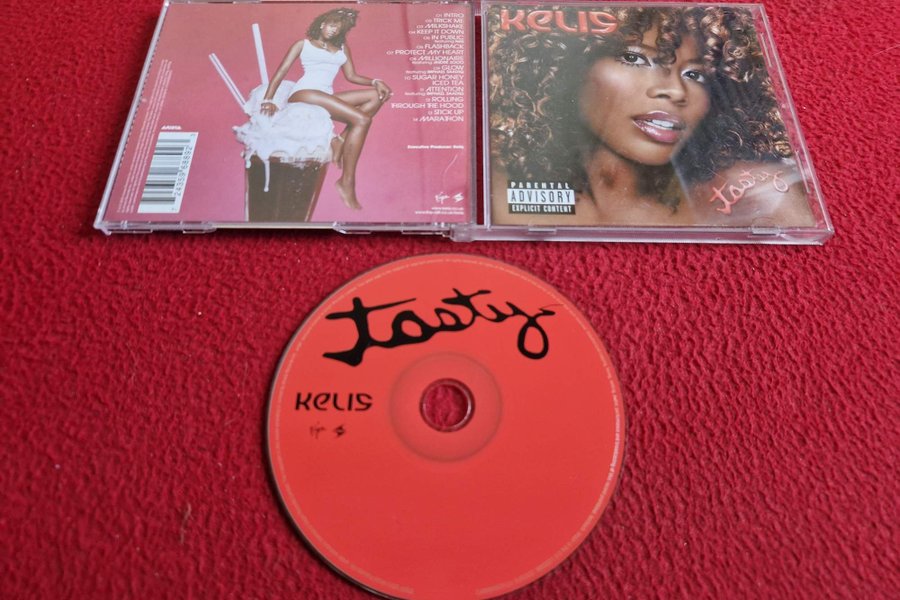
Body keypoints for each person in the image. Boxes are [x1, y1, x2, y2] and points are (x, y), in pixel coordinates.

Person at [487, 5, 815, 227]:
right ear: (564, 69)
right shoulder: (498, 194)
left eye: (695, 74)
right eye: (635, 58)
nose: (675, 91)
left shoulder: (751, 195)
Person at [259, 8, 391, 210]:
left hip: (325, 97)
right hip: (305, 93)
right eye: (331, 25)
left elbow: (352, 76)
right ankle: (347, 182)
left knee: (377, 95)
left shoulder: (342, 48)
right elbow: (281, 72)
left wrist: (375, 81)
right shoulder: (303, 44)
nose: (334, 30)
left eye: (339, 28)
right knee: (363, 120)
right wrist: (267, 100)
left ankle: (339, 141)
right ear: (322, 24)